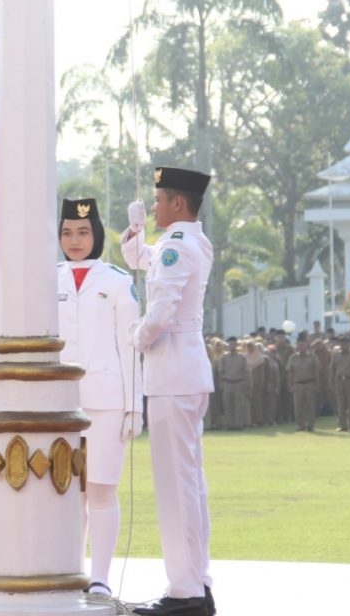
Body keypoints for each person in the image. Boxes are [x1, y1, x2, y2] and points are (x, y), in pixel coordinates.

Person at [121, 166, 215, 616]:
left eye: (158, 201)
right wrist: (137, 228)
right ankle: (196, 581)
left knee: (176, 488)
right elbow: (142, 259)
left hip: (172, 372)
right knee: (190, 485)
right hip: (185, 372)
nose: (155, 206)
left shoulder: (178, 247)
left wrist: (134, 339)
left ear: (178, 203)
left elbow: (160, 311)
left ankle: (185, 593)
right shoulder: (189, 242)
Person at [55, 197, 142, 596]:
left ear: (97, 235)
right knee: (66, 489)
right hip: (57, 403)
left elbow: (131, 348)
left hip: (106, 400)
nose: (75, 240)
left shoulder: (116, 281)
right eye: (68, 232)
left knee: (101, 488)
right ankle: (71, 571)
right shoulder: (47, 278)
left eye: (83, 232)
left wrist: (133, 406)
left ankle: (101, 578)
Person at [287, 336, 321, 431]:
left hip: (310, 383)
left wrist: (317, 384)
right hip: (298, 384)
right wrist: (290, 385)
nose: (301, 347)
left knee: (310, 405)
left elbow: (316, 371)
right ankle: (300, 425)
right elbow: (290, 372)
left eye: (303, 345)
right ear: (297, 347)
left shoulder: (312, 357)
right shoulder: (293, 358)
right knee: (298, 406)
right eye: (299, 345)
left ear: (306, 346)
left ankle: (310, 425)